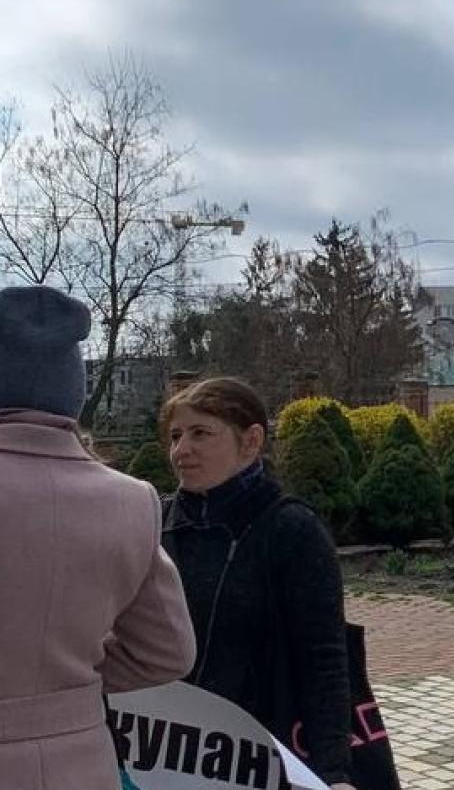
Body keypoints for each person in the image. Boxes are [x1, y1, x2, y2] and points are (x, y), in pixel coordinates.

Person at [0, 285, 196, 790]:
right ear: (74, 388)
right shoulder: (134, 501)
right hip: (81, 765)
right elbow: (167, 652)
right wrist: (65, 688)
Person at [161, 378, 356, 790]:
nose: (181, 451)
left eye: (200, 434)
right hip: (163, 753)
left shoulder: (291, 530)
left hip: (264, 756)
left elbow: (323, 660)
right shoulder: (154, 524)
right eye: (175, 436)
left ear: (251, 442)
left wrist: (333, 772)